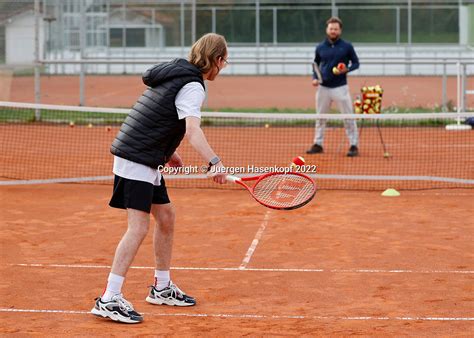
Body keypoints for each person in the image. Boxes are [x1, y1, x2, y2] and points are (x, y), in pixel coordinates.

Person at [91, 33, 229, 324]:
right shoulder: (193, 85)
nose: (224, 67)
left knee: (166, 217)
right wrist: (214, 163)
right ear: (216, 60)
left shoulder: (177, 74)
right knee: (138, 227)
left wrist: (169, 152)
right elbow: (192, 130)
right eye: (224, 61)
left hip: (144, 155)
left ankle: (162, 287)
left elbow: (160, 117)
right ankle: (109, 297)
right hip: (137, 158)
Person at [306, 16, 360, 157]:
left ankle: (353, 145)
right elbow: (315, 65)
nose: (333, 31)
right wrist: (314, 78)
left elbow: (356, 63)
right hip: (323, 88)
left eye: (336, 29)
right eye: (331, 28)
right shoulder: (320, 47)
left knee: (348, 117)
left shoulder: (347, 46)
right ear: (327, 30)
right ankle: (318, 144)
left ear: (340, 30)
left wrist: (346, 69)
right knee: (320, 117)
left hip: (340, 88)